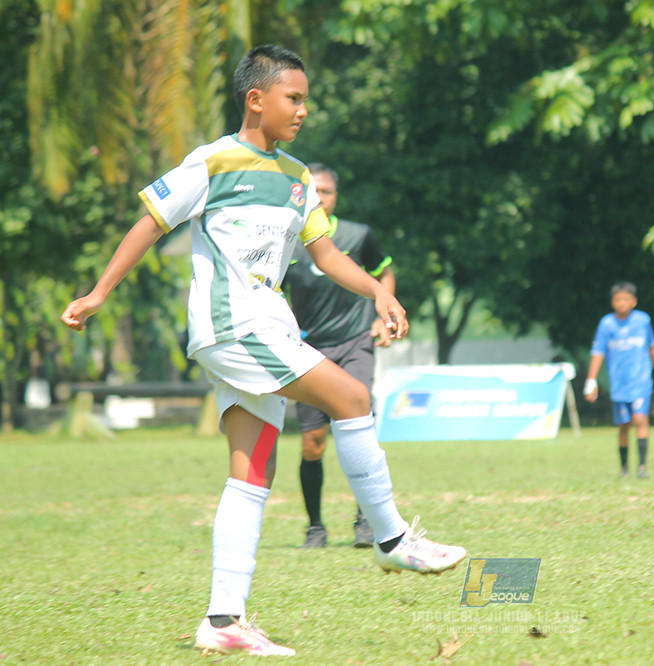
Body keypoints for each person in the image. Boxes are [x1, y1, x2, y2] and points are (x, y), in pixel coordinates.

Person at [60, 44, 466, 658]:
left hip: (260, 325)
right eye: (293, 98)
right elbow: (150, 221)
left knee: (251, 472)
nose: (304, 110)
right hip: (236, 325)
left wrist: (380, 295)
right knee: (352, 396)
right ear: (257, 99)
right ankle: (391, 539)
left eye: (306, 99)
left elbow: (328, 257)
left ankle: (224, 620)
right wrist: (97, 293)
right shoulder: (213, 162)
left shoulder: (299, 178)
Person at [282, 163, 394, 549]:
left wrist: (383, 312)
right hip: (309, 350)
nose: (320, 197)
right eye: (313, 191)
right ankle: (315, 527)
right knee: (312, 442)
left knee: (359, 422)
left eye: (326, 191)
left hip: (354, 341)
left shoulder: (358, 235)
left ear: (335, 196)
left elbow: (384, 271)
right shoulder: (285, 242)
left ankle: (366, 520)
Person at [583, 281, 654, 479]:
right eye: (617, 299)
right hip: (619, 385)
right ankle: (624, 468)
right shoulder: (607, 324)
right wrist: (591, 381)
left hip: (641, 382)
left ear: (634, 302)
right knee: (624, 425)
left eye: (625, 299)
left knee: (640, 419)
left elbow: (652, 348)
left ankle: (642, 467)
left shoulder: (642, 321)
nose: (621, 303)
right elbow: (598, 352)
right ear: (612, 302)